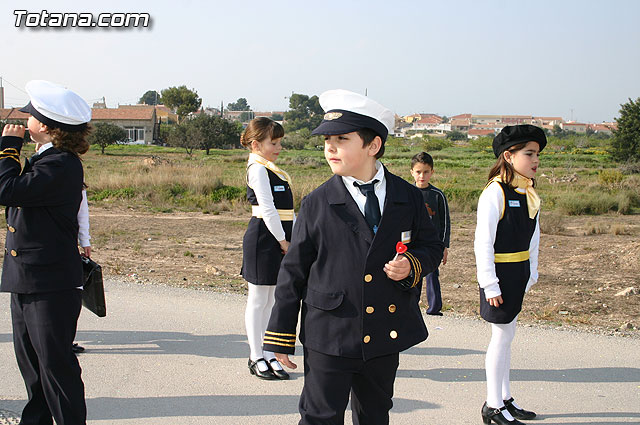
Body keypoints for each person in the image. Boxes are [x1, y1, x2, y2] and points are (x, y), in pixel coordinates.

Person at [263, 89, 444, 424]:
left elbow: (431, 247)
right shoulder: (318, 202)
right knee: (321, 417)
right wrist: (281, 335)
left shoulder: (408, 197)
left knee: (374, 416)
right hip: (328, 333)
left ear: (373, 145)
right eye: (326, 140)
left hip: (382, 333)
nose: (330, 148)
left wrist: (412, 265)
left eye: (342, 139)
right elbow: (293, 272)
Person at [0, 80, 91, 425]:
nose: (25, 122)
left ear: (48, 127)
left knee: (56, 366)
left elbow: (7, 190)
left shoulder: (61, 165)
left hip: (49, 283)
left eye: (31, 117)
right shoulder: (45, 159)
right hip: (28, 279)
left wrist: (8, 149)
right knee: (34, 368)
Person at [475, 125, 545, 425]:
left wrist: (532, 272)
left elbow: (534, 237)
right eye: (529, 153)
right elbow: (482, 242)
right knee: (501, 338)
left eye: (537, 154)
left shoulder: (526, 192)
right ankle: (492, 406)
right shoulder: (496, 192)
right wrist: (489, 284)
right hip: (499, 276)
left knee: (509, 336)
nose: (535, 160)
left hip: (518, 273)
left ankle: (504, 398)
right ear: (508, 155)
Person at [240, 117, 293, 380]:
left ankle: (270, 352)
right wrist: (284, 241)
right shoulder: (257, 168)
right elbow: (268, 209)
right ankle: (255, 355)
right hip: (265, 237)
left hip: (278, 235)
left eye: (279, 142)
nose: (278, 147)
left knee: (273, 300)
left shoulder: (269, 167)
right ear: (255, 143)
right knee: (258, 299)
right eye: (273, 142)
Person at [410, 152, 450, 315]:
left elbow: (445, 222)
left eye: (426, 172)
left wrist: (444, 246)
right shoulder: (406, 192)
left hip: (432, 244)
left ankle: (434, 308)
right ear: (412, 172)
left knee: (432, 274)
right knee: (413, 275)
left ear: (432, 172)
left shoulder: (437, 195)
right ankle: (411, 307)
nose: (422, 176)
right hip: (412, 244)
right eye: (418, 172)